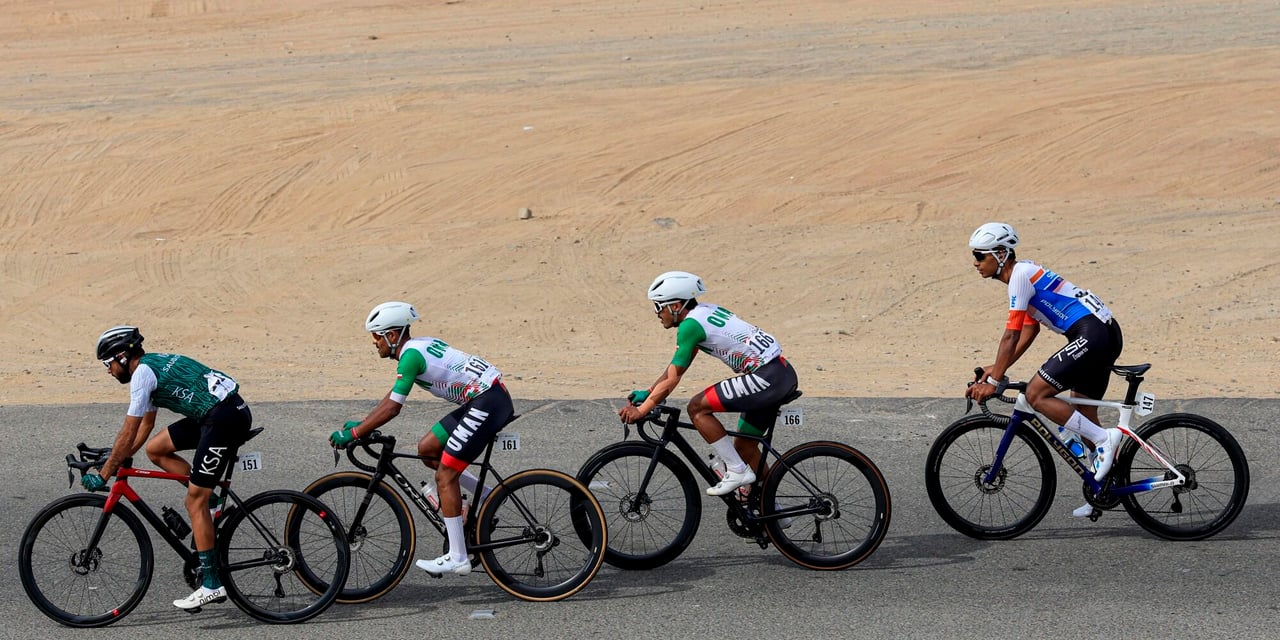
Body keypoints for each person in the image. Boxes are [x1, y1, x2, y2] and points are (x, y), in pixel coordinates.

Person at [329, 301, 511, 576]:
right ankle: (487, 495)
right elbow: (392, 397)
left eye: (377, 336)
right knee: (428, 449)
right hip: (485, 397)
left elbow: (393, 408)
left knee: (445, 475)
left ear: (392, 336)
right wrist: (363, 425)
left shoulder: (410, 356)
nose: (374, 342)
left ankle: (458, 557)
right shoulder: (417, 348)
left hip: (488, 401)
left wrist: (354, 434)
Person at [84, 326, 253, 609]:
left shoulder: (141, 376)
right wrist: (120, 460)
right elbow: (145, 430)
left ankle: (211, 584)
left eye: (108, 363)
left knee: (193, 501)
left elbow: (129, 430)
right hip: (218, 411)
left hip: (223, 419)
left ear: (123, 357)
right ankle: (211, 499)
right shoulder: (152, 365)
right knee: (156, 449)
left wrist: (104, 474)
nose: (108, 370)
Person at [964, 223, 1125, 516]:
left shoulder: (1020, 277)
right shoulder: (1023, 275)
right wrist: (996, 367)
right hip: (1102, 333)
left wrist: (995, 380)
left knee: (1037, 394)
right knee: (1084, 414)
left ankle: (1105, 439)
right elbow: (1029, 329)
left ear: (1000, 254)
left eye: (980, 255)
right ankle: (1104, 488)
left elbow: (1010, 335)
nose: (975, 262)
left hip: (1091, 334)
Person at [618, 271, 799, 497]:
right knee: (744, 446)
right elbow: (676, 369)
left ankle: (736, 471)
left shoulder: (690, 326)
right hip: (780, 373)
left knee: (697, 408)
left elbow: (673, 379)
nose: (657, 313)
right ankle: (772, 513)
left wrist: (641, 411)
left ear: (675, 306)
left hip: (766, 378)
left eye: (658, 306)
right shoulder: (705, 312)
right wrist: (650, 392)